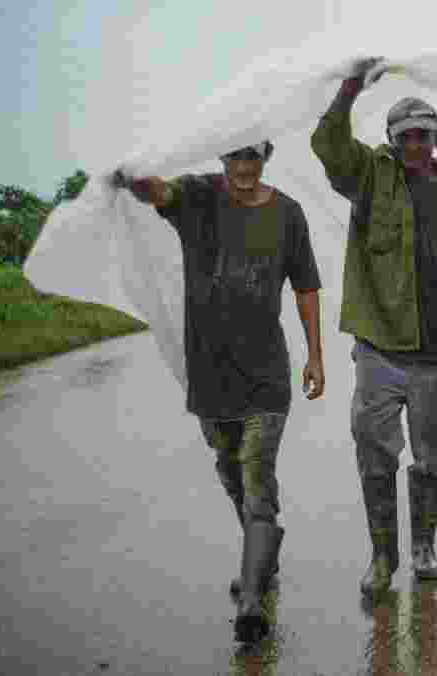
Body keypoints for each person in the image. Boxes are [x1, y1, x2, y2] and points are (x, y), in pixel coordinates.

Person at [113, 140, 325, 642]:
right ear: (221, 160)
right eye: (235, 157)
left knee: (256, 476)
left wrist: (316, 354)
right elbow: (158, 192)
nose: (245, 167)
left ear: (266, 157)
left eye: (253, 157)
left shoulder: (288, 214)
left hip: (267, 377)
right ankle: (263, 557)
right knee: (230, 471)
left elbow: (306, 285)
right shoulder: (198, 197)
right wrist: (131, 180)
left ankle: (251, 599)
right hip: (210, 377)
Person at [310, 60, 437, 598]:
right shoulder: (369, 175)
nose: (415, 144)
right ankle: (382, 558)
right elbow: (328, 142)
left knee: (431, 459)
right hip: (381, 349)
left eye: (423, 135)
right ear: (391, 139)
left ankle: (423, 548)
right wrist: (349, 88)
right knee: (375, 454)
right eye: (405, 135)